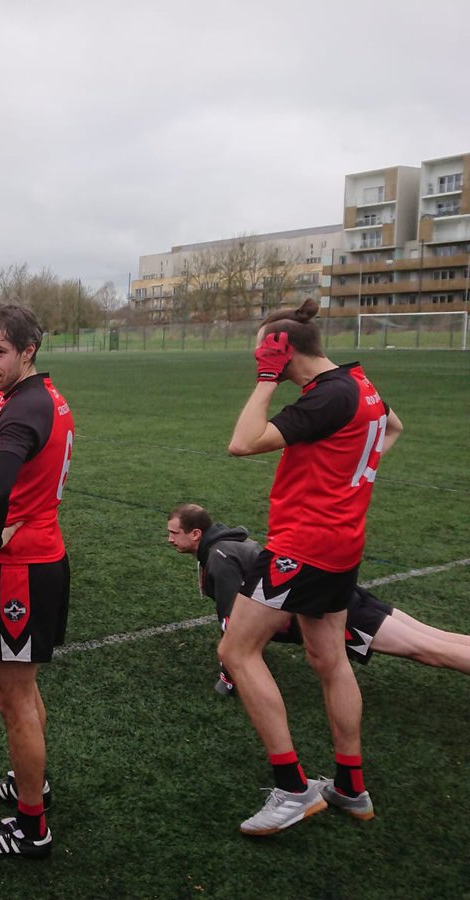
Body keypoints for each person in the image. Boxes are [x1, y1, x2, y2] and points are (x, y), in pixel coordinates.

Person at [219, 298, 402, 835]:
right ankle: (349, 786)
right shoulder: (359, 385)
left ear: (282, 349)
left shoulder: (326, 396)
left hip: (304, 546)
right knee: (328, 659)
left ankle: (293, 788)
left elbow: (242, 442)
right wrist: (352, 477)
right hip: (342, 545)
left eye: (262, 348)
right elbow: (392, 427)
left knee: (235, 649)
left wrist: (265, 379)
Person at [0, 303, 72, 860]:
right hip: (41, 557)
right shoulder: (46, 395)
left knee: (14, 698)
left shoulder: (21, 410)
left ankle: (32, 828)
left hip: (21, 572)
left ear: (28, 350)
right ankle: (34, 785)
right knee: (21, 693)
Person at [167, 503, 470, 696]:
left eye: (174, 533)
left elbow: (232, 623)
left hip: (327, 610)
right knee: (435, 637)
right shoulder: (227, 544)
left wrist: (230, 671)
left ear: (196, 534)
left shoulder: (219, 558)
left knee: (428, 651)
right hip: (336, 593)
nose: (170, 540)